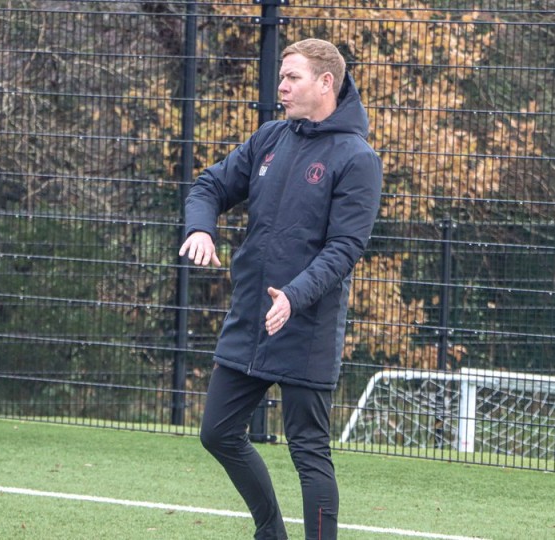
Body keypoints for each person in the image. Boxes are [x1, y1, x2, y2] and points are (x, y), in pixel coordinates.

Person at [178, 38, 383, 540]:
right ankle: (270, 532)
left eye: (292, 77)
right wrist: (200, 228)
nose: (282, 86)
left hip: (305, 323)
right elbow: (209, 185)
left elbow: (344, 249)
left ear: (326, 82)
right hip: (251, 317)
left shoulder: (357, 158)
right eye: (282, 76)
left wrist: (293, 295)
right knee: (218, 434)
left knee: (308, 451)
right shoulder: (270, 137)